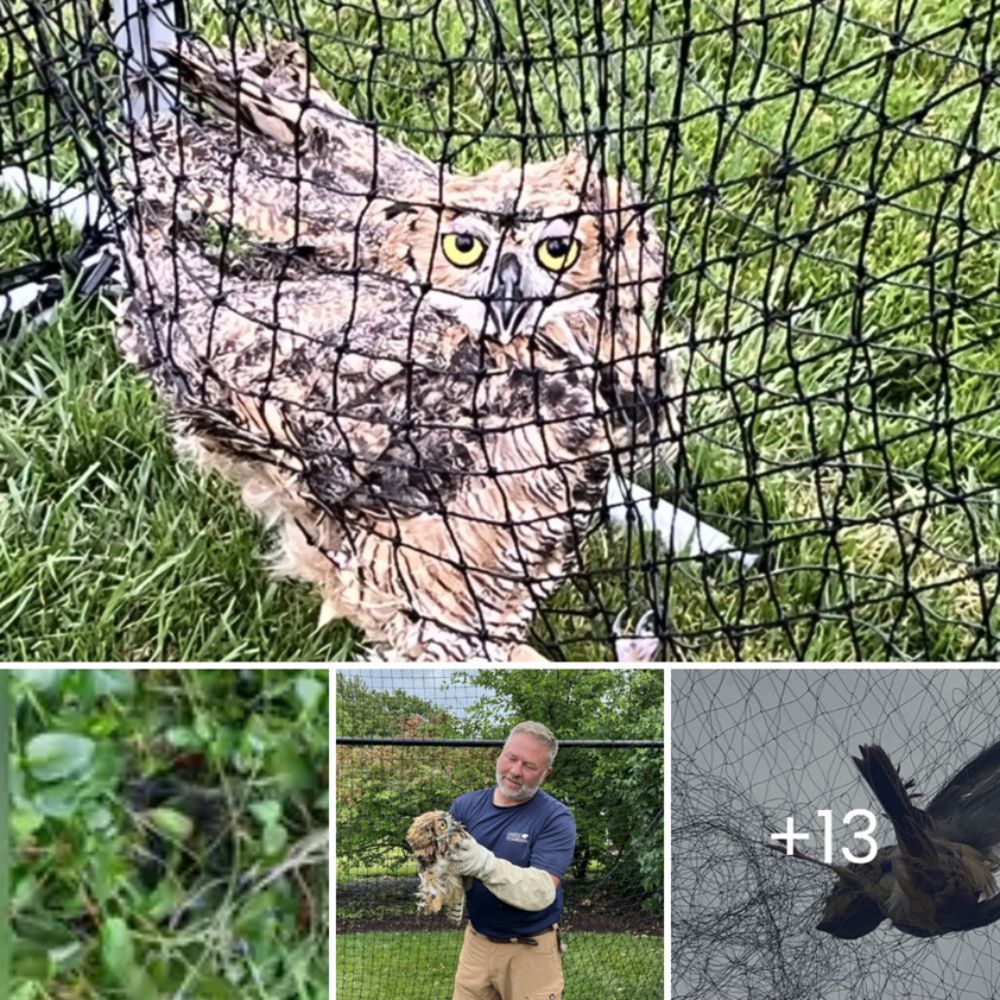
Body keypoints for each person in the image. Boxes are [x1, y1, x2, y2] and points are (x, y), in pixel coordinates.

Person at [448, 721, 576, 1000]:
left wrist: (485, 864)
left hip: (530, 949)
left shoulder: (555, 818)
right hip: (476, 945)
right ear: (501, 754)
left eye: (529, 766)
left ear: (546, 773)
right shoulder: (465, 806)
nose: (515, 771)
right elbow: (447, 870)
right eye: (511, 758)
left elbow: (542, 889)